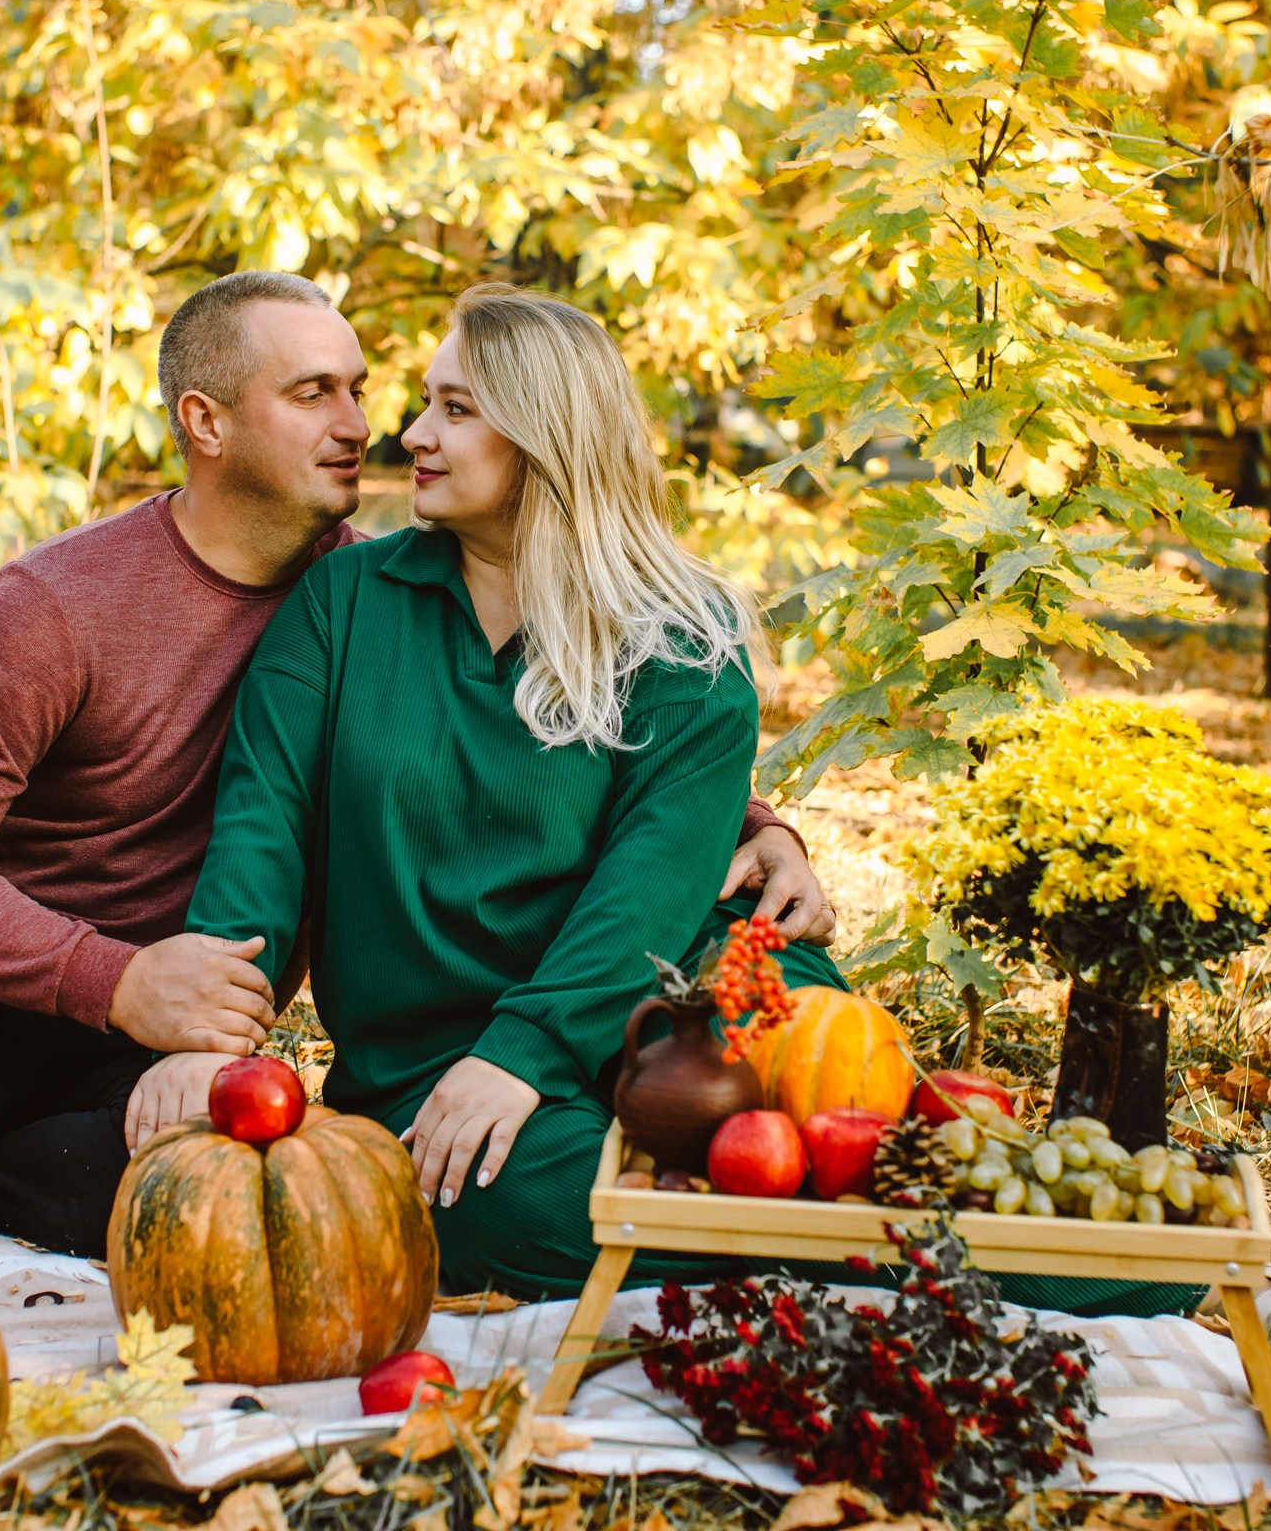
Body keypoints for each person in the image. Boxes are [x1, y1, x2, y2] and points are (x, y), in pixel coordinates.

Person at [0, 271, 835, 1258]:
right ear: (206, 422)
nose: (374, 427)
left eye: (377, 392)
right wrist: (138, 989)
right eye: (317, 392)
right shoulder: (76, 603)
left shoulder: (387, 587)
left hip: (238, 993)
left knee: (203, 1201)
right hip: (10, 973)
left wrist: (748, 822)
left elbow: (592, 770)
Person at [171, 284, 848, 1302]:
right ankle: (857, 1237)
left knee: (845, 1126)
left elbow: (651, 887)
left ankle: (1041, 1244)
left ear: (544, 435)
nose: (409, 434)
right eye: (425, 403)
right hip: (431, 1071)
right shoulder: (344, 604)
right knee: (511, 1199)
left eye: (456, 408)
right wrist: (209, 1043)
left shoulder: (682, 640)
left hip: (672, 1016)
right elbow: (259, 833)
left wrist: (525, 1052)